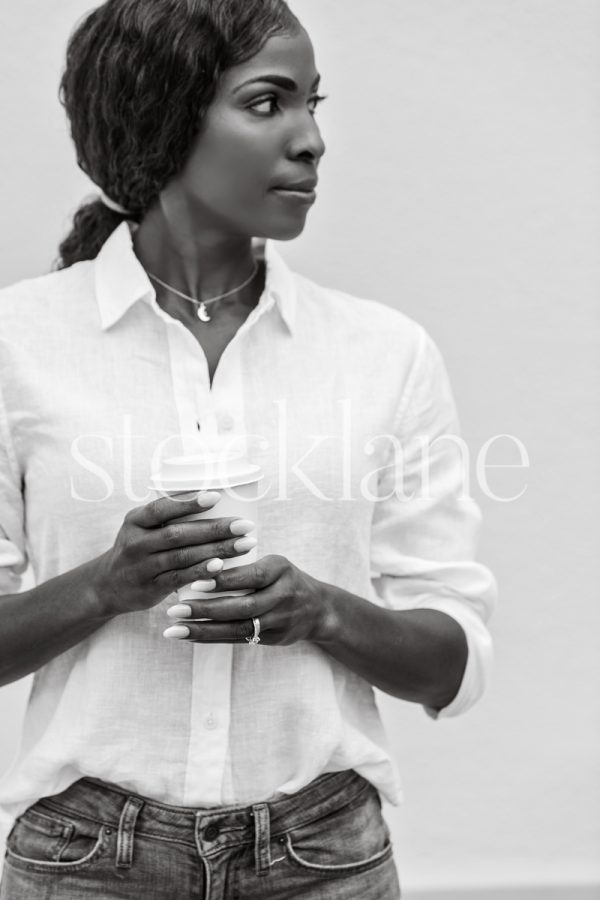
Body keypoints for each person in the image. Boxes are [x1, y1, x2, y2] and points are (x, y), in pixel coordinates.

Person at [0, 1, 498, 897]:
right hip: (83, 862)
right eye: (269, 103)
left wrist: (325, 613)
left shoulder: (386, 354)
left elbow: (453, 662)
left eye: (314, 103)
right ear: (162, 113)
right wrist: (104, 587)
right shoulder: (16, 344)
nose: (311, 140)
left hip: (327, 857)